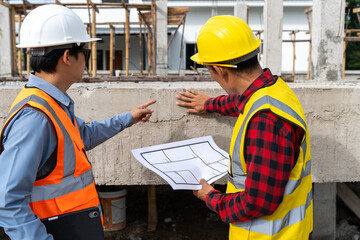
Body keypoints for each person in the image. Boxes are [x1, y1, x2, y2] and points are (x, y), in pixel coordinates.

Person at [0, 4, 155, 240]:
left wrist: (128, 118)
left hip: (72, 226)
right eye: (87, 52)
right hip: (57, 229)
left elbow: (81, 135)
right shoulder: (35, 117)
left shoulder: (50, 103)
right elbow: (7, 201)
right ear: (67, 57)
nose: (87, 60)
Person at [176, 15, 312, 239]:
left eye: (209, 70)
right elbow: (244, 101)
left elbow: (256, 203)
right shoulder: (275, 90)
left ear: (221, 70)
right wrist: (209, 104)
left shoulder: (266, 121)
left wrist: (210, 196)